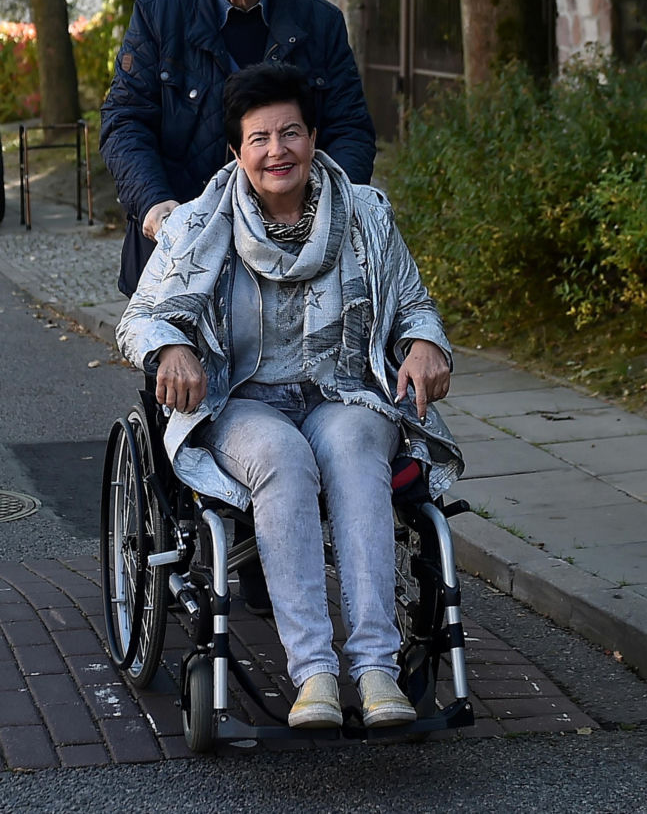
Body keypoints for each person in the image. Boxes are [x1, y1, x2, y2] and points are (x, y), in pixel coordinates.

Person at [116, 62, 463, 729]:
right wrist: (173, 347)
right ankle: (314, 675)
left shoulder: (364, 213)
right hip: (241, 401)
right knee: (282, 455)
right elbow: (139, 319)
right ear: (236, 151)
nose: (278, 151)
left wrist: (425, 344)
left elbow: (415, 306)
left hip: (340, 390)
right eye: (259, 138)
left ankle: (375, 667)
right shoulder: (197, 223)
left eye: (291, 133)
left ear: (314, 137)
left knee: (361, 442)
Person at [100, 0, 375, 298]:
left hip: (293, 262)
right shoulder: (158, 16)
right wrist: (155, 206)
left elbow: (351, 128)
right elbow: (124, 122)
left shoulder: (321, 23)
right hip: (177, 260)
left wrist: (325, 212)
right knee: (180, 366)